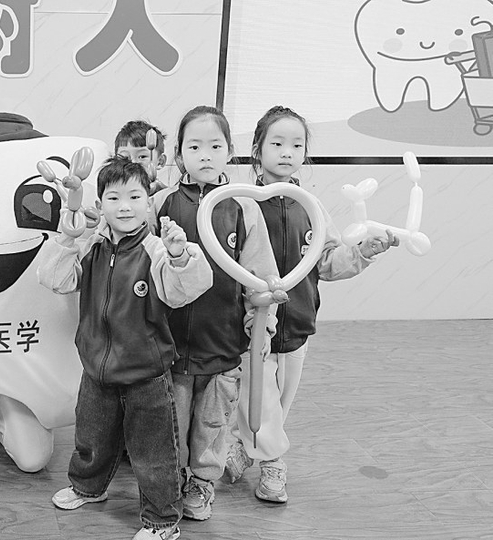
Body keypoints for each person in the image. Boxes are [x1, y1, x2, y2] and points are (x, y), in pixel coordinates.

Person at [223, 106, 398, 503]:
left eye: (297, 145)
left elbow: (328, 262)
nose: (287, 152)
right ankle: (273, 463)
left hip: (299, 324)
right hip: (253, 326)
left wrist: (363, 252)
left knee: (280, 402)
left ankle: (247, 449)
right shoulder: (242, 205)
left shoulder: (312, 208)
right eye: (277, 143)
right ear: (257, 149)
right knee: (258, 397)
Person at [38, 156, 214, 540]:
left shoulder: (156, 249)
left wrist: (180, 254)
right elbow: (54, 278)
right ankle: (88, 487)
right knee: (91, 438)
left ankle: (163, 521)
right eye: (114, 198)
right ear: (99, 205)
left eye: (135, 197)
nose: (125, 206)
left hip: (146, 374)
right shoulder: (92, 246)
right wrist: (69, 237)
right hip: (96, 370)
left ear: (149, 203)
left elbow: (186, 290)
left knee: (154, 454)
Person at [151, 105, 279, 521]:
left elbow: (261, 278)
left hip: (222, 341)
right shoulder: (161, 203)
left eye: (215, 146)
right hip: (169, 343)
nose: (205, 155)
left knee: (212, 423)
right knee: (171, 421)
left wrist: (261, 327)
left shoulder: (243, 206)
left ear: (229, 151)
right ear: (178, 153)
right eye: (194, 146)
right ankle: (170, 479)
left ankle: (203, 482)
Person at [114, 120, 168, 194]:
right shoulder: (110, 192)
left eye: (142, 156)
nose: (133, 163)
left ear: (160, 162)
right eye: (125, 157)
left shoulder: (167, 196)